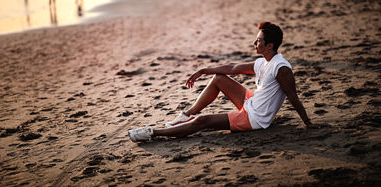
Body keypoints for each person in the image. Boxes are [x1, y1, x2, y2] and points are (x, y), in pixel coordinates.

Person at [128, 22, 320, 142]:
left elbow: (293, 97)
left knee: (203, 122)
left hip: (256, 118)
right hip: (252, 103)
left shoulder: (281, 68)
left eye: (258, 41)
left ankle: (153, 133)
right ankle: (185, 115)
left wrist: (308, 123)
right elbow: (233, 68)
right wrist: (204, 70)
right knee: (219, 78)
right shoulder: (263, 61)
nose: (254, 44)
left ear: (270, 45)